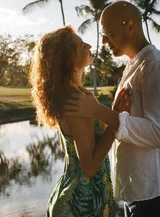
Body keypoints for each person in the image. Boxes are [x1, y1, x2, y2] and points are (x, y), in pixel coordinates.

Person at [65, 1, 160, 217]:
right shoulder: (134, 66)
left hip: (154, 191)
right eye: (103, 34)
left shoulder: (157, 66)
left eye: (109, 32)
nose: (103, 41)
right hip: (135, 189)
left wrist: (99, 111)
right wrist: (110, 113)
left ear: (130, 27)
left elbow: (157, 134)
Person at [29, 25, 132, 217]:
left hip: (76, 194)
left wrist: (108, 113)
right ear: (68, 60)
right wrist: (115, 118)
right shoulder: (76, 101)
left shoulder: (75, 95)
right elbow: (90, 167)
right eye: (80, 46)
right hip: (81, 203)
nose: (89, 45)